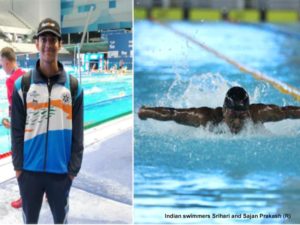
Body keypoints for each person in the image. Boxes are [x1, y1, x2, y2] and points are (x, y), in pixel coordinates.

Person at [11, 18, 84, 223]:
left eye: (53, 40)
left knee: (60, 220)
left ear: (59, 44)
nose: (48, 45)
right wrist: (18, 169)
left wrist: (72, 171)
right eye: (44, 39)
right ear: (37, 43)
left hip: (61, 174)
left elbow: (78, 134)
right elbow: (16, 131)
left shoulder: (74, 87)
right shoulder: (22, 85)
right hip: (29, 173)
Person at [138, 86, 300, 134]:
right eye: (232, 115)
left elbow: (287, 112)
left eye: (242, 116)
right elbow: (173, 114)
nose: (237, 122)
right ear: (224, 110)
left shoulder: (258, 114)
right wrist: (146, 111)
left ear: (248, 111)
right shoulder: (206, 118)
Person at [0, 46, 26, 208]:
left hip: (19, 130)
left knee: (18, 164)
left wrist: (10, 124)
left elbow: (15, 108)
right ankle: (43, 191)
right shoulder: (26, 75)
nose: (2, 68)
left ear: (8, 62)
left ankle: (25, 196)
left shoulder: (11, 81)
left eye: (2, 64)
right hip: (32, 128)